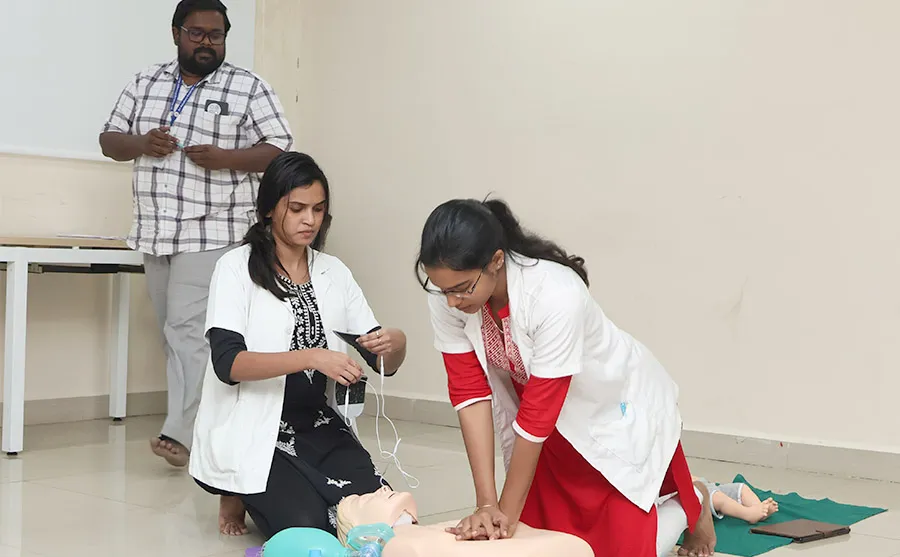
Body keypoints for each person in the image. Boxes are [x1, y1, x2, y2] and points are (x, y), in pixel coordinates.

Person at [415, 198, 718, 557]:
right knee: (547, 541)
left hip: (604, 407)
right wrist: (486, 505)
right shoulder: (449, 296)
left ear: (496, 260)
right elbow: (470, 394)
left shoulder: (555, 293)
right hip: (543, 427)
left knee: (622, 550)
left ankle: (693, 499)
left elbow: (538, 416)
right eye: (443, 289)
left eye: (462, 288)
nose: (451, 301)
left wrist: (504, 520)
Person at [98, 0, 293, 467]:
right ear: (176, 33)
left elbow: (280, 149)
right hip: (155, 231)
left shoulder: (248, 87)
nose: (207, 42)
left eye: (216, 35)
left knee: (187, 331)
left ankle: (181, 433)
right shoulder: (145, 82)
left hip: (214, 229)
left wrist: (227, 158)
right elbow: (109, 140)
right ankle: (207, 426)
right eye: (197, 33)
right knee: (174, 333)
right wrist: (142, 143)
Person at [189, 152, 408, 539]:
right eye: (297, 209)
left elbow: (382, 362)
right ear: (269, 209)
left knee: (383, 518)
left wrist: (396, 343)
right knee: (311, 530)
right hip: (258, 428)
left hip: (318, 423)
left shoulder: (333, 271)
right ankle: (235, 492)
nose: (310, 220)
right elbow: (228, 364)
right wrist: (311, 357)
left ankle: (264, 491)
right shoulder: (236, 268)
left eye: (318, 209)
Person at [335, 486, 595, 557]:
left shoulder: (431, 532)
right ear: (364, 535)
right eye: (364, 500)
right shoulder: (400, 545)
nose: (381, 489)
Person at [693, 476, 779, 524]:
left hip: (704, 484)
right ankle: (748, 513)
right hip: (693, 492)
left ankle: (758, 508)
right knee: (718, 498)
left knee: (741, 488)